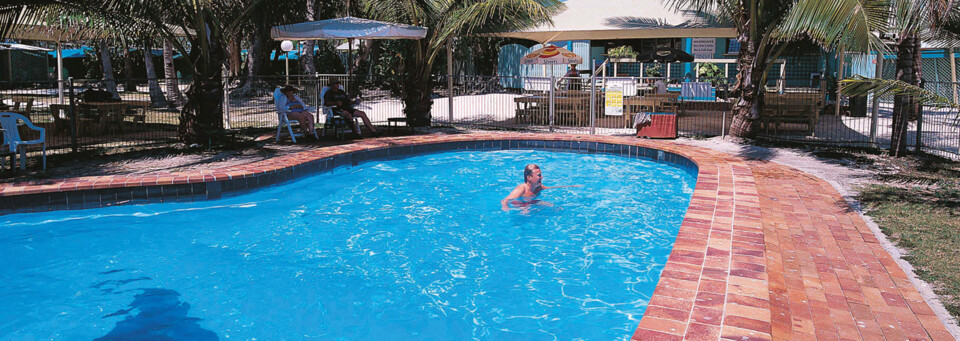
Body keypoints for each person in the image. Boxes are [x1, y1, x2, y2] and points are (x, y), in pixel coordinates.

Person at [501, 164, 580, 212]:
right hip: (521, 205)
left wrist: (571, 186)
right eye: (539, 175)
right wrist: (505, 207)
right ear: (529, 177)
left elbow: (551, 188)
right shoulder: (521, 189)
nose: (542, 177)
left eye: (541, 175)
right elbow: (505, 200)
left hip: (532, 203)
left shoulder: (538, 187)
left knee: (551, 206)